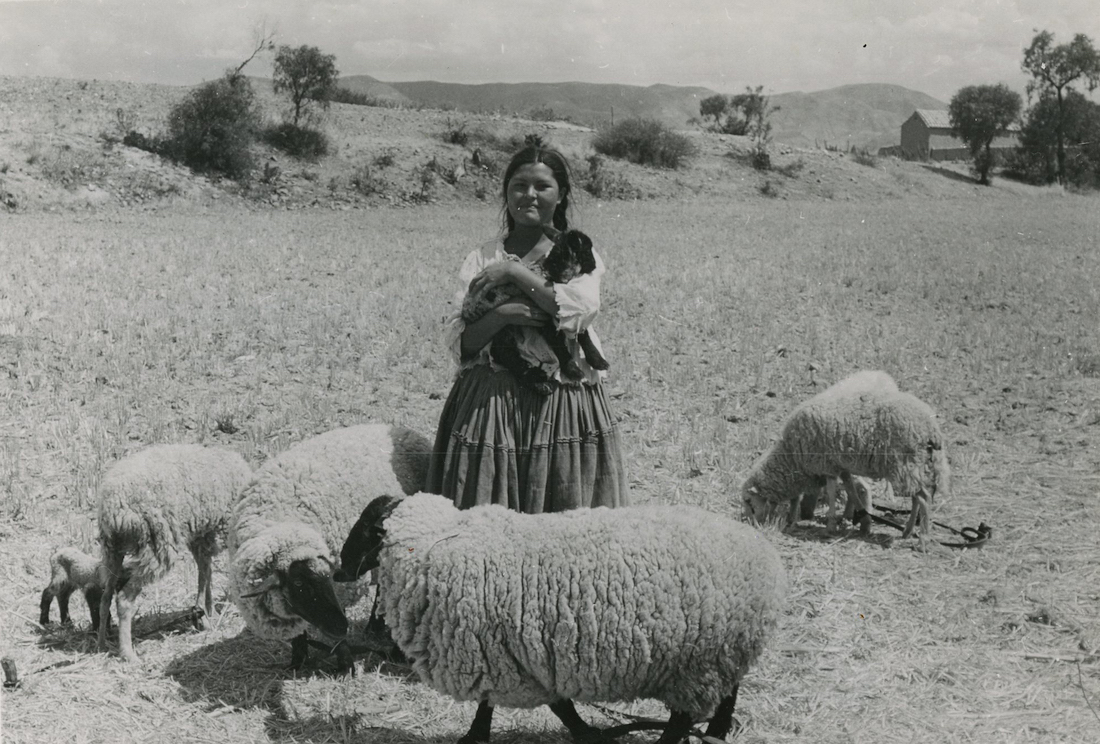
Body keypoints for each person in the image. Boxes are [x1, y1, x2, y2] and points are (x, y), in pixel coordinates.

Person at [426, 142, 629, 513]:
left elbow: (579, 311)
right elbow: (463, 343)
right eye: (519, 185)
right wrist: (503, 316)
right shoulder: (481, 257)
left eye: (542, 186)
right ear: (506, 191)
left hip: (563, 401)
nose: (529, 196)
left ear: (561, 194)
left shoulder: (577, 253)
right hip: (492, 403)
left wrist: (512, 271)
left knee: (566, 516)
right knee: (487, 515)